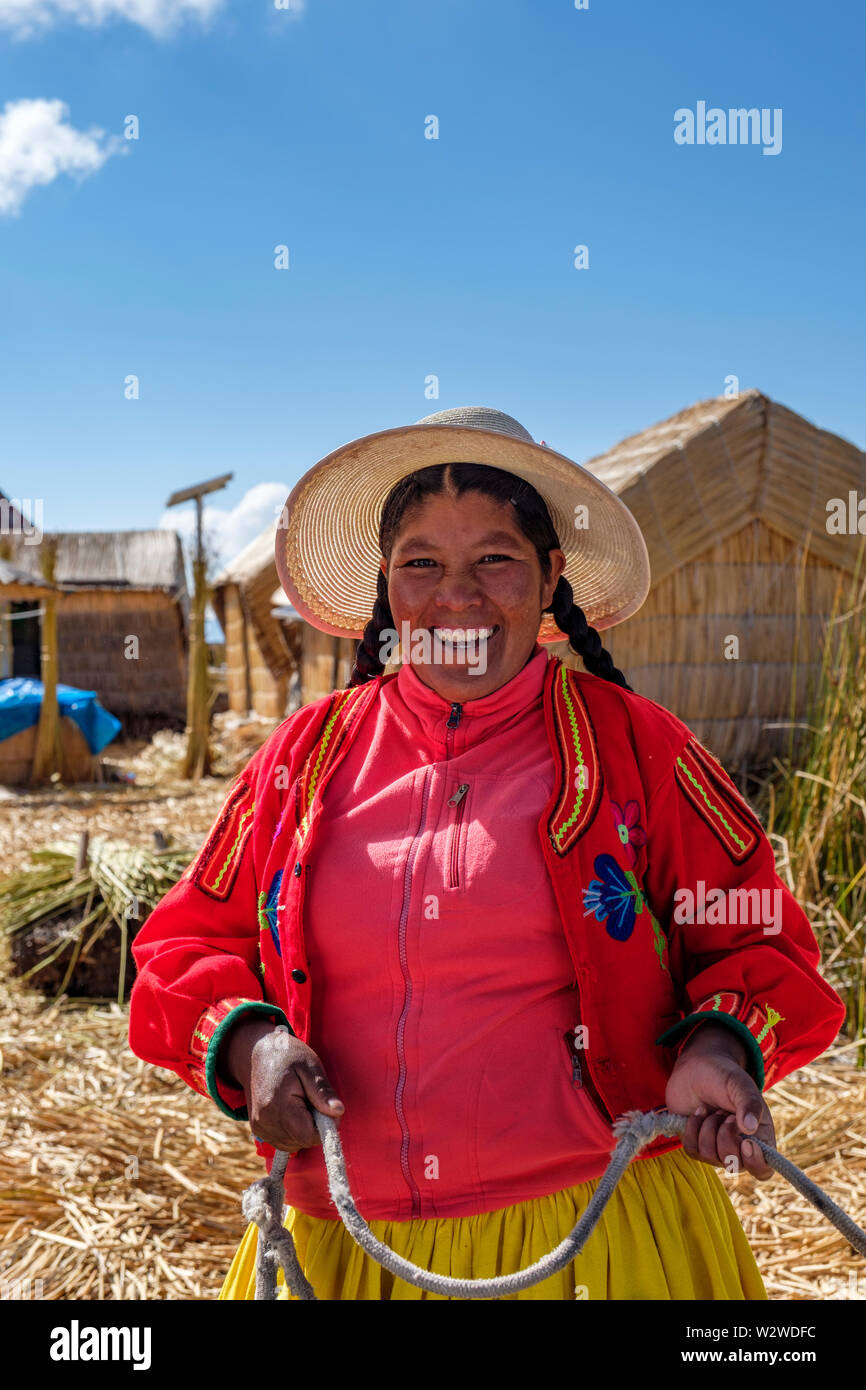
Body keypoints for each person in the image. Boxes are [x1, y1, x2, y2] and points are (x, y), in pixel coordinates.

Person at [128, 405, 845, 1300]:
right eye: (421, 563)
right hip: (348, 1246)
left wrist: (717, 1046)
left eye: (494, 559)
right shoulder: (304, 759)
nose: (456, 596)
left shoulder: (636, 747)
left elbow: (755, 935)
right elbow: (184, 946)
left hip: (600, 1238)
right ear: (385, 584)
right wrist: (250, 1043)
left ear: (550, 578)